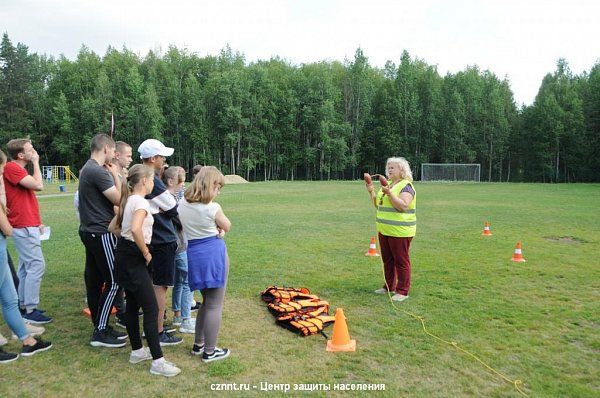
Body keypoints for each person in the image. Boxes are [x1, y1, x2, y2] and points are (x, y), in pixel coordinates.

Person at [113, 164, 181, 377]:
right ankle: (158, 362)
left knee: (132, 305)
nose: (154, 184)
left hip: (124, 255)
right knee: (151, 309)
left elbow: (113, 227)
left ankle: (137, 352)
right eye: (152, 180)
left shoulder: (130, 200)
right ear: (144, 181)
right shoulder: (140, 203)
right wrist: (145, 252)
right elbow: (134, 229)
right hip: (135, 257)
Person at [0, 149, 52, 363]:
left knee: (10, 298)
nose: (3, 174)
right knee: (30, 269)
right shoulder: (11, 170)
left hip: (3, 244)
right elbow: (7, 227)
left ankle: (27, 341)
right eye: (1, 169)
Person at [78, 134, 127, 347]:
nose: (114, 156)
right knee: (115, 280)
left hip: (91, 231)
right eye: (113, 151)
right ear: (106, 148)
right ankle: (100, 332)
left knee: (96, 280)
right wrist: (116, 175)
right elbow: (119, 199)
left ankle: (102, 325)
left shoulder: (87, 168)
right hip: (101, 233)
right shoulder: (98, 171)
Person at [179, 166, 231, 362]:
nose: (218, 192)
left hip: (194, 253)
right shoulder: (212, 208)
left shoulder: (183, 203)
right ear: (210, 185)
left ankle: (198, 344)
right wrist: (221, 229)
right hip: (212, 254)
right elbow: (227, 225)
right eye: (218, 187)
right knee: (214, 305)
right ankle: (209, 351)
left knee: (206, 302)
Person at [138, 139, 182, 346]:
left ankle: (154, 326)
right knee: (160, 287)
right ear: (153, 159)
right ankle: (157, 331)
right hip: (161, 240)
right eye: (162, 157)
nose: (164, 161)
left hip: (152, 239)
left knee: (153, 285)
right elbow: (173, 207)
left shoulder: (140, 177)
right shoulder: (152, 180)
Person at [365, 157, 417, 302]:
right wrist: (371, 191)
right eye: (388, 166)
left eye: (392, 167)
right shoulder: (387, 185)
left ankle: (402, 291)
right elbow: (378, 204)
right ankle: (389, 286)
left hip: (400, 231)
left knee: (401, 260)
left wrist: (389, 194)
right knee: (388, 260)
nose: (389, 169)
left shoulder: (407, 186)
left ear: (402, 170)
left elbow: (403, 205)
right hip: (385, 230)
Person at [162, 167, 194, 334]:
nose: (183, 185)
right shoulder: (170, 200)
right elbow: (180, 222)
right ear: (171, 182)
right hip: (178, 246)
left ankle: (177, 316)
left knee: (179, 282)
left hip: (174, 247)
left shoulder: (168, 197)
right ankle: (186, 320)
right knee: (188, 280)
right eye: (180, 181)